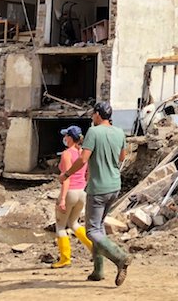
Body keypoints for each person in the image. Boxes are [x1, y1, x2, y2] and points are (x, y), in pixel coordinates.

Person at [59, 101, 131, 286]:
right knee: (98, 228)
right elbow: (122, 157)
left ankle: (120, 257)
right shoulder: (119, 132)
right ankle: (98, 271)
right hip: (115, 186)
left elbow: (83, 159)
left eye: (93, 114)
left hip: (98, 188)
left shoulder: (94, 132)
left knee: (92, 231)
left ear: (98, 114)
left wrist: (66, 174)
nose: (92, 117)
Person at [51, 125, 92, 269]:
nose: (64, 138)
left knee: (61, 226)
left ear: (69, 138)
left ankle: (65, 258)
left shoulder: (66, 154)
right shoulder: (83, 153)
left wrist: (62, 199)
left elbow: (66, 178)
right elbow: (87, 174)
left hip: (70, 192)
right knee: (74, 224)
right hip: (82, 192)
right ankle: (93, 248)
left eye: (66, 136)